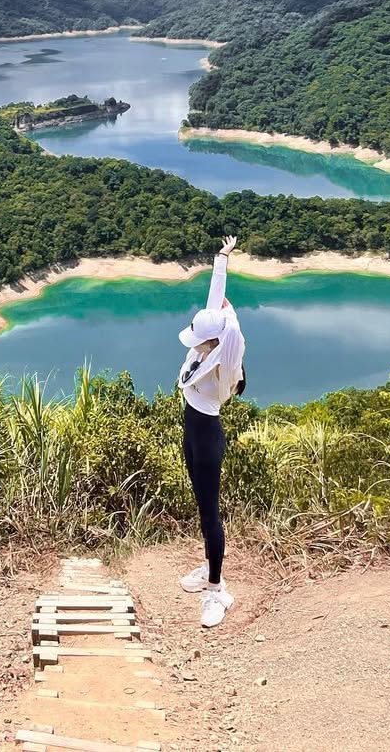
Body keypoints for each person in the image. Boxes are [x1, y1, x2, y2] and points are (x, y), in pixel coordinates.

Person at [177, 234, 246, 629]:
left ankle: (217, 591)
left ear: (215, 340)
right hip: (192, 425)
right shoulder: (215, 330)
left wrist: (228, 331)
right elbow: (215, 299)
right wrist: (222, 258)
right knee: (202, 509)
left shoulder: (225, 355)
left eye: (199, 342)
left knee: (210, 514)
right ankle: (208, 567)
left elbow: (233, 337)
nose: (193, 345)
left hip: (207, 433)